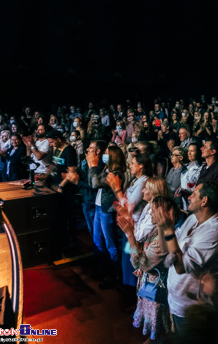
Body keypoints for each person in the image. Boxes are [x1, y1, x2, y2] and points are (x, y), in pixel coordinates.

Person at [154, 180, 218, 332]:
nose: (189, 197)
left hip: (193, 309)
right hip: (177, 299)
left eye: (194, 193)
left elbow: (182, 267)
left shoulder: (214, 232)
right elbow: (167, 249)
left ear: (204, 201)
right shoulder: (194, 218)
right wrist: (161, 226)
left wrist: (169, 230)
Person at [118, 193, 173, 343]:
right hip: (149, 281)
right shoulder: (156, 229)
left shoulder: (161, 240)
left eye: (153, 210)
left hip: (157, 287)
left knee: (159, 322)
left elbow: (140, 263)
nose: (150, 213)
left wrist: (130, 235)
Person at [108, 152, 153, 287]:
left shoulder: (144, 181)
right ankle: (127, 283)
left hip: (135, 227)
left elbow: (130, 205)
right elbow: (124, 203)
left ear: (141, 166)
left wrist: (117, 189)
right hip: (127, 224)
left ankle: (132, 287)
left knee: (132, 257)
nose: (130, 166)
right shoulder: (135, 180)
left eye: (133, 163)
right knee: (127, 256)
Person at [89, 145, 127, 289]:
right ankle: (105, 267)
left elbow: (94, 183)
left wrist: (93, 166)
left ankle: (115, 272)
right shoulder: (106, 169)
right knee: (98, 240)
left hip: (107, 210)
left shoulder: (116, 173)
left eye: (106, 153)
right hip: (99, 207)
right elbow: (90, 181)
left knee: (111, 244)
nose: (104, 155)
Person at [175, 143, 203, 210]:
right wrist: (180, 188)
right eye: (188, 151)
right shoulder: (186, 166)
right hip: (184, 204)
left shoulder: (200, 169)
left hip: (194, 205)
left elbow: (196, 188)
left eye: (192, 151)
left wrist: (187, 192)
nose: (189, 153)